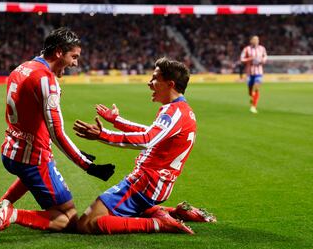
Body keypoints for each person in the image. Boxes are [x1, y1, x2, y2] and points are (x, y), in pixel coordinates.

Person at [0, 27, 115, 242]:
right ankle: (10, 214)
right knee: (69, 219)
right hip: (33, 159)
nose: (76, 63)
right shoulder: (46, 79)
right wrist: (87, 165)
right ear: (59, 52)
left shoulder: (22, 67)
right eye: (74, 56)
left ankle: (1, 203)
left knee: (33, 175)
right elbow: (57, 132)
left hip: (10, 151)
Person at [73, 57, 216, 235]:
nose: (149, 83)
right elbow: (152, 132)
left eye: (155, 78)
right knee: (128, 210)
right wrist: (116, 120)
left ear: (170, 84)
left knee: (86, 223)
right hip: (158, 184)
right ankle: (175, 213)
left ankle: (159, 223)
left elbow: (146, 139)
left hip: (145, 183)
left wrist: (102, 135)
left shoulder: (172, 112)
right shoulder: (182, 110)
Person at [240, 35, 268, 114]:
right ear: (251, 41)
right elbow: (241, 59)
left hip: (259, 72)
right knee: (250, 91)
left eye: (257, 39)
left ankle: (253, 106)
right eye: (254, 39)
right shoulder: (246, 49)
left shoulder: (262, 48)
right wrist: (250, 59)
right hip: (249, 73)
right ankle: (252, 97)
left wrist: (263, 60)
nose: (256, 41)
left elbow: (265, 57)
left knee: (256, 87)